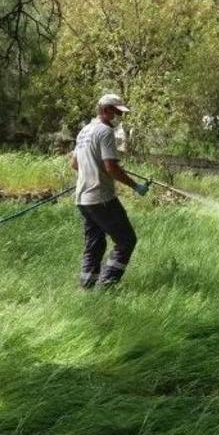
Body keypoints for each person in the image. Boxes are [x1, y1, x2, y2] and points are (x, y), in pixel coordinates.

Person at [70, 93, 150, 289]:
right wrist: (136, 186)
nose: (119, 118)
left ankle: (87, 286)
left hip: (83, 199)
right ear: (105, 110)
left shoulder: (85, 131)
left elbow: (74, 164)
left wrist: (93, 168)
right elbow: (111, 168)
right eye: (116, 112)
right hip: (101, 198)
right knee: (126, 241)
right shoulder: (105, 131)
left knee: (94, 244)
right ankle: (107, 284)